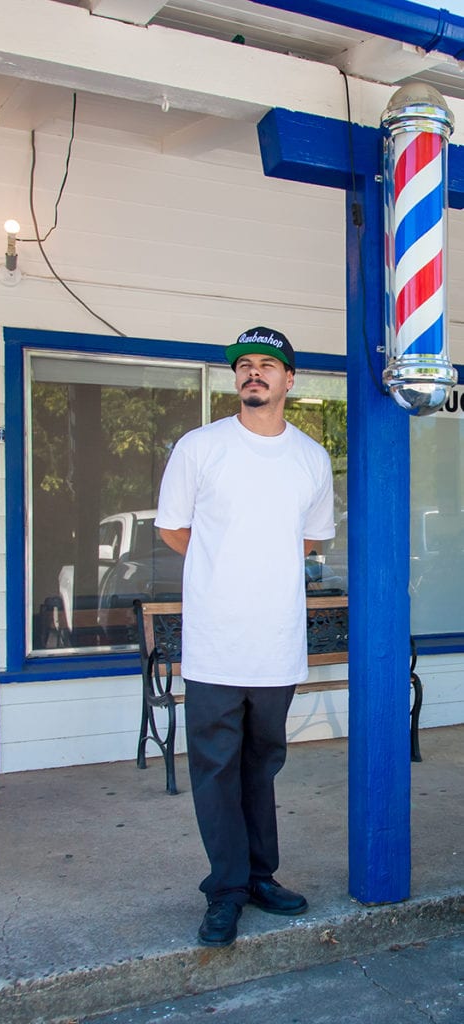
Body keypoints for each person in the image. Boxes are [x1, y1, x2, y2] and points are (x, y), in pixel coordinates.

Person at [155, 326, 335, 948]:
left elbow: (310, 539)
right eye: (244, 366)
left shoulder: (311, 458)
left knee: (262, 765)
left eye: (267, 365)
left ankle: (261, 876)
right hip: (214, 642)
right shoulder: (201, 448)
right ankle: (226, 890)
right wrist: (224, 569)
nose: (253, 373)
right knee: (214, 769)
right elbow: (176, 529)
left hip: (277, 642)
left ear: (290, 380)